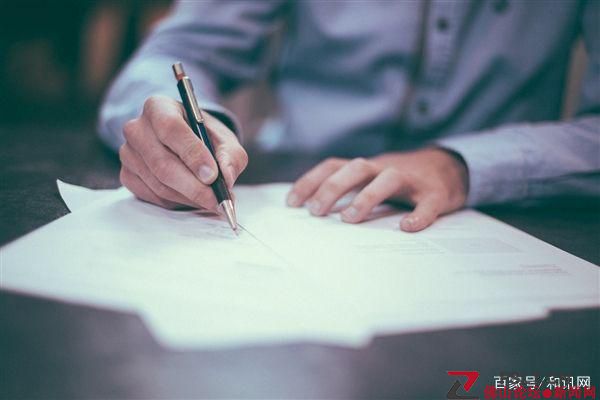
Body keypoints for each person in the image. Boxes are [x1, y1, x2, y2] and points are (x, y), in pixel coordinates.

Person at [98, 0, 599, 232]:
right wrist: (181, 129)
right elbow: (176, 53)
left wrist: (461, 165)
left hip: (511, 215)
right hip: (298, 195)